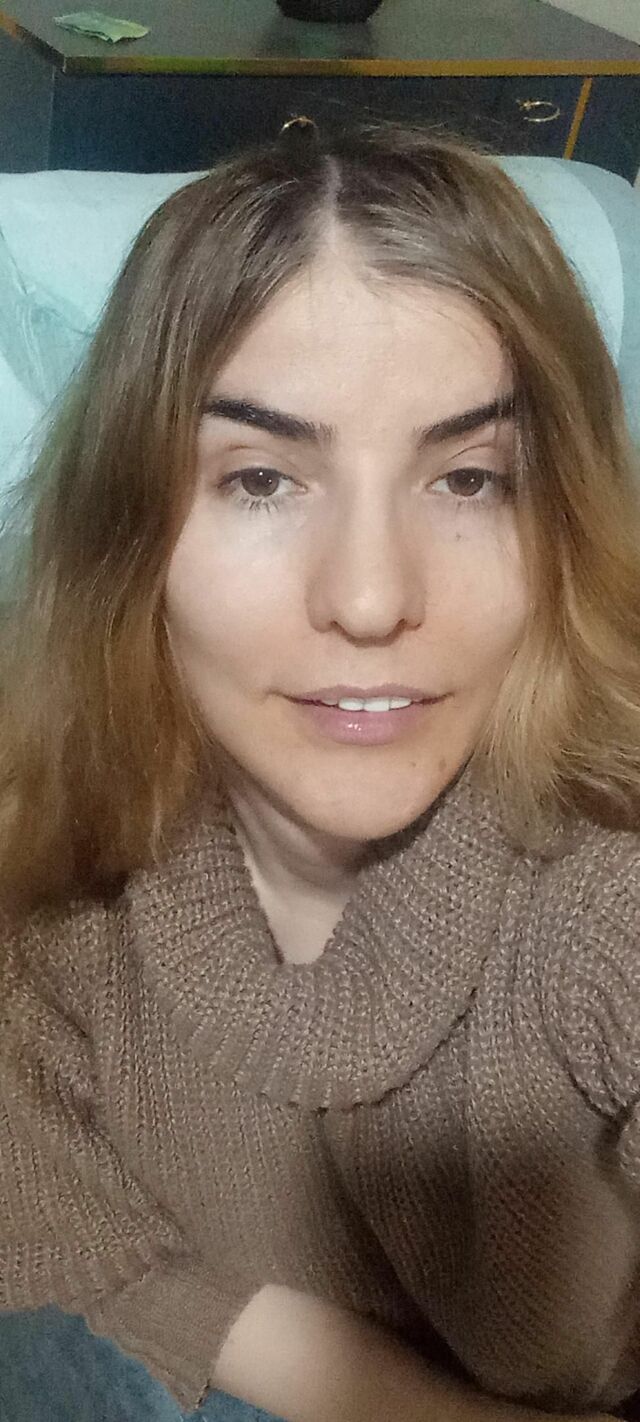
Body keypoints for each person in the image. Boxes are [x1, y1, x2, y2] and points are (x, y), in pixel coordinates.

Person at [0, 115, 639, 1422]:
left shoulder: (604, 901)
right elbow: (90, 1250)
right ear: (131, 531)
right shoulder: (49, 863)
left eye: (470, 479)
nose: (369, 596)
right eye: (261, 480)